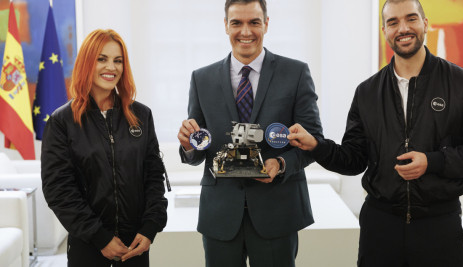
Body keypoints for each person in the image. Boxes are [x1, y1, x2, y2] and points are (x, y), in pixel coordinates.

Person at [287, 0, 463, 266]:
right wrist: (316, 146)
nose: (403, 28)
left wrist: (432, 161)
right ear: (385, 30)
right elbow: (354, 159)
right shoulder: (367, 92)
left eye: (411, 18)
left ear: (425, 23)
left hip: (439, 227)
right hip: (380, 227)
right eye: (393, 22)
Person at [177, 0, 323, 266]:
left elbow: (314, 142)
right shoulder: (202, 79)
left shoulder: (295, 73)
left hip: (276, 211)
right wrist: (188, 145)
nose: (246, 31)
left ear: (266, 24)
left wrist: (280, 164)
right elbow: (199, 149)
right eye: (237, 23)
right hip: (220, 214)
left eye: (254, 22)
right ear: (225, 26)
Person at [41, 29, 168, 267]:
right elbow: (59, 191)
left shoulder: (141, 115)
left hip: (135, 246)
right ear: (87, 62)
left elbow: (153, 177)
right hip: (88, 246)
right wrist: (100, 238)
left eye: (117, 60)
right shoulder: (62, 122)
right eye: (102, 59)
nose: (111, 67)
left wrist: (150, 227)